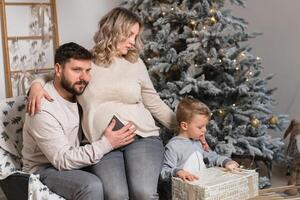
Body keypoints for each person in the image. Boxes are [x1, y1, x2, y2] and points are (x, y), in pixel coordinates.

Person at [27, 7, 180, 200]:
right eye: (129, 35)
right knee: (116, 195)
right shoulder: (87, 63)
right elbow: (54, 76)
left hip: (141, 137)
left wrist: (183, 128)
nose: (133, 42)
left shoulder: (136, 63)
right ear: (115, 30)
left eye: (136, 36)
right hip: (101, 143)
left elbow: (154, 102)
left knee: (143, 192)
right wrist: (36, 85)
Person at [22, 42, 136, 200]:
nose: (84, 78)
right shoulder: (42, 107)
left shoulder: (78, 89)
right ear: (58, 70)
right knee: (91, 186)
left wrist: (36, 83)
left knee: (117, 182)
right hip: (45, 167)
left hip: (77, 156)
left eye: (88, 70)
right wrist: (107, 143)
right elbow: (62, 160)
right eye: (76, 70)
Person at [160, 97, 239, 183]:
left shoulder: (198, 143)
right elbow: (164, 171)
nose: (204, 130)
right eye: (200, 127)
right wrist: (178, 172)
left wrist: (226, 162)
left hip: (203, 187)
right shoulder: (173, 146)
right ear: (185, 126)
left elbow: (212, 157)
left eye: (205, 126)